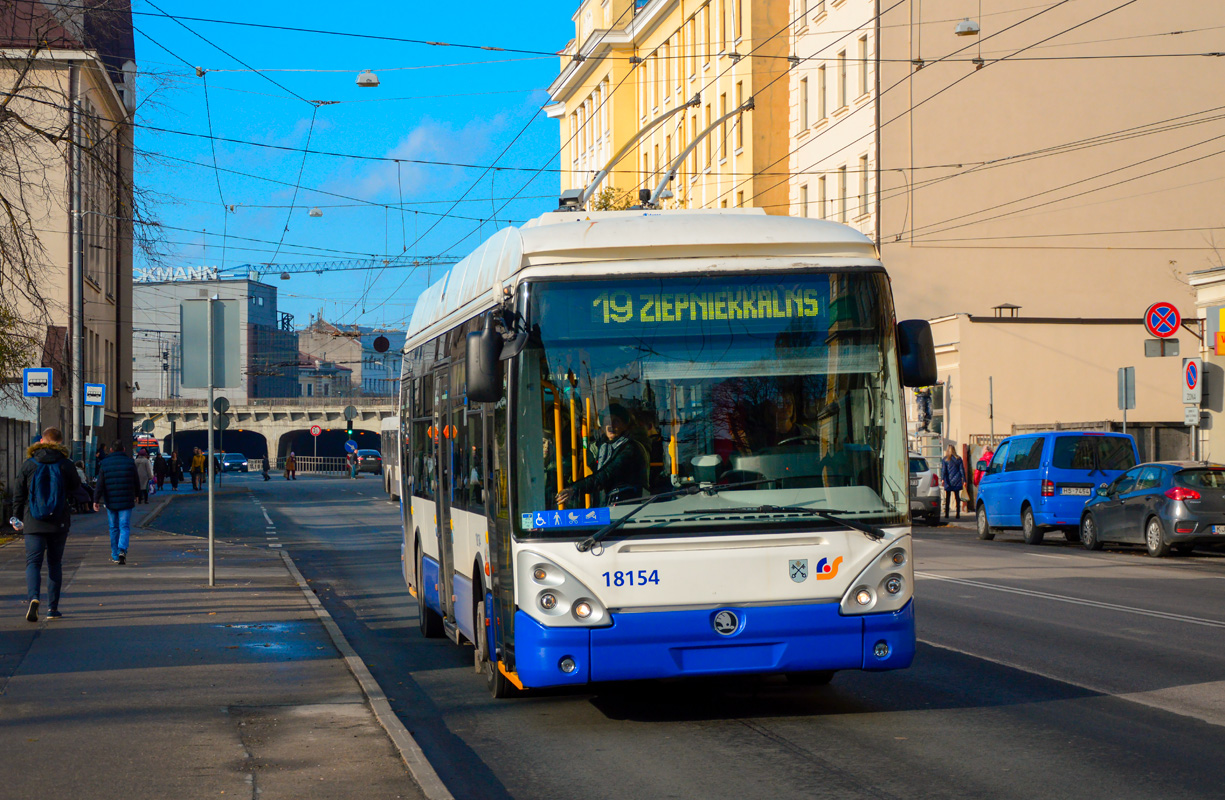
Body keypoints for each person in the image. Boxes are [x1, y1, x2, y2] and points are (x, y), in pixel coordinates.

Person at [13, 427, 81, 621]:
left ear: (42, 441)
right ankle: (52, 609)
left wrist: (16, 517)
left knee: (33, 563)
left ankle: (34, 598)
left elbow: (19, 493)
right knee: (54, 563)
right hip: (58, 520)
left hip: (33, 520)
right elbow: (76, 487)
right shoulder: (65, 463)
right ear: (60, 442)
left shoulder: (29, 464)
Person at [556, 404, 649, 508]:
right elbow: (597, 472)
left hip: (629, 506)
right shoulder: (602, 447)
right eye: (607, 421)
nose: (610, 426)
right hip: (609, 504)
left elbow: (606, 474)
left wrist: (574, 489)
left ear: (624, 425)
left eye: (616, 421)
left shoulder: (630, 448)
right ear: (603, 425)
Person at [95, 440, 139, 564]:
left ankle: (115, 554)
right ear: (123, 449)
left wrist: (96, 499)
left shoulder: (105, 463)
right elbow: (136, 481)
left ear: (111, 450)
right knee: (124, 526)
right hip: (126, 499)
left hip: (110, 500)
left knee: (113, 527)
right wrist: (137, 495)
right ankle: (122, 549)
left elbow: (100, 483)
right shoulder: (130, 462)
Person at [940, 445, 966, 521]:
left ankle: (947, 514)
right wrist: (964, 480)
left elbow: (944, 470)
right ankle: (958, 513)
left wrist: (942, 479)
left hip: (948, 480)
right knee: (957, 497)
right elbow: (962, 470)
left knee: (948, 497)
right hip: (957, 480)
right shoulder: (958, 459)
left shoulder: (945, 459)